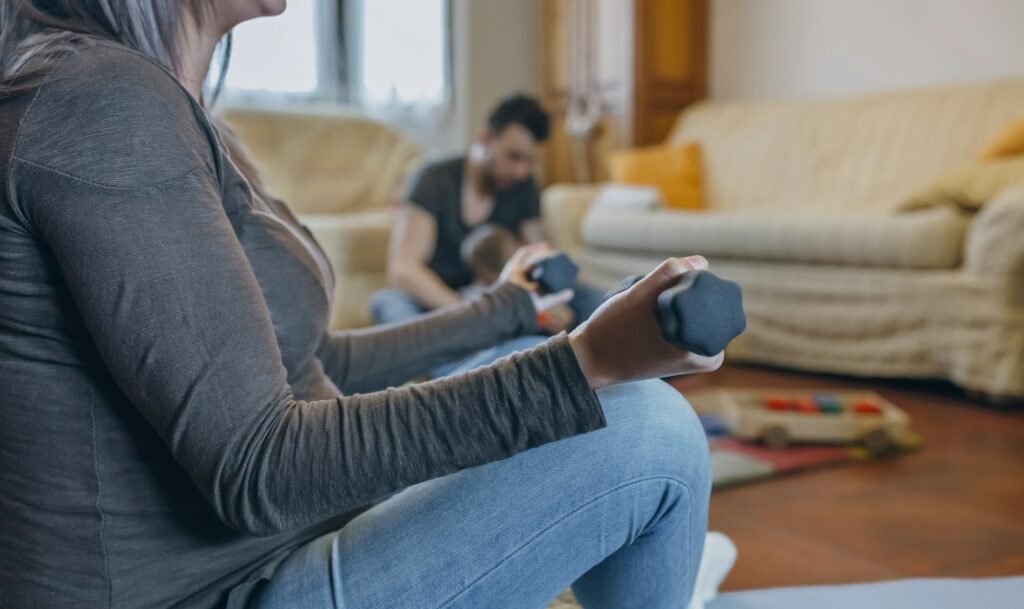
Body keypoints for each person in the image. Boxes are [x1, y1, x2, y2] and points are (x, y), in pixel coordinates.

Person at [0, 2, 722, 609]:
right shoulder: (98, 104)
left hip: (284, 545)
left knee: (525, 368)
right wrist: (586, 360)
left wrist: (509, 313)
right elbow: (262, 467)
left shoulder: (173, 108)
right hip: (227, 586)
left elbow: (317, 361)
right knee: (647, 429)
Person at [370, 94, 604, 333]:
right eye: (513, 156)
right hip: (441, 306)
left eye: (530, 162)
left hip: (497, 306)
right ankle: (466, 358)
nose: (520, 172)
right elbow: (403, 270)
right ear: (485, 138)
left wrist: (554, 302)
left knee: (593, 299)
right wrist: (468, 312)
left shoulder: (523, 187)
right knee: (389, 303)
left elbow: (538, 255)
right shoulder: (433, 179)